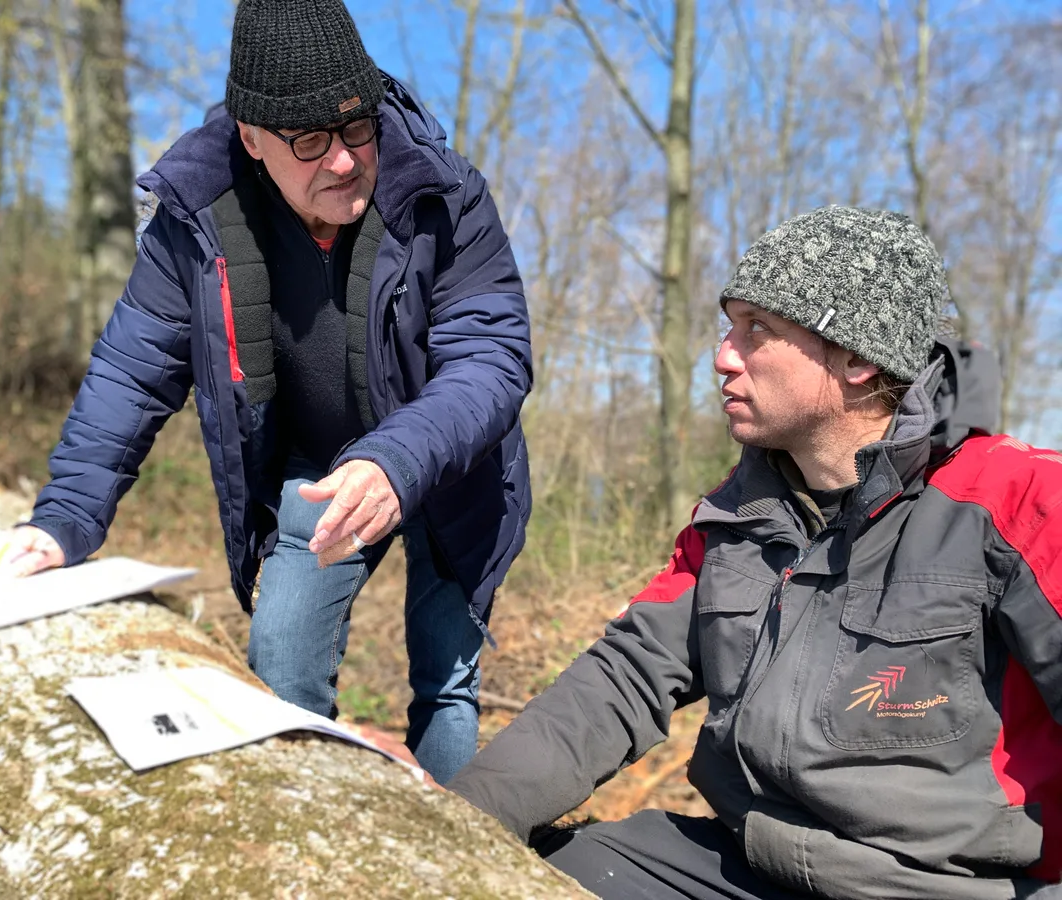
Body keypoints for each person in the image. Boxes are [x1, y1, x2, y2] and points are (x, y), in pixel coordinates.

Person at [448, 206, 1061, 899]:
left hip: (948, 888)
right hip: (755, 866)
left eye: (757, 330)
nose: (722, 355)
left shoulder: (1020, 500)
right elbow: (622, 679)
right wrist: (451, 823)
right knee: (536, 874)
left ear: (858, 358)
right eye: (727, 325)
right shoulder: (736, 514)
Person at [2, 0, 532, 785]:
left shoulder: (446, 194)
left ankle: (452, 849)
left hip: (452, 467)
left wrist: (397, 461)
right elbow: (132, 367)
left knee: (444, 681)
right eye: (309, 141)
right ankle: (311, 829)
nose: (346, 161)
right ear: (251, 138)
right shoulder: (197, 219)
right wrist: (66, 517)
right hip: (318, 468)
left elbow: (492, 355)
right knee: (281, 658)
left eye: (358, 129)